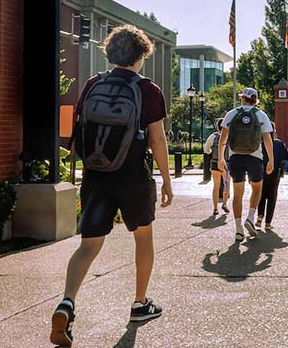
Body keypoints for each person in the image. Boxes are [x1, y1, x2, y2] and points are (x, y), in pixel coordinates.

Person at [51, 25, 174, 346]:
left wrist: (75, 172)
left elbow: (76, 132)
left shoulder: (92, 84)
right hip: (133, 174)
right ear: (141, 55)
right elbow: (158, 140)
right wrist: (166, 180)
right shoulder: (148, 90)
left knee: (88, 245)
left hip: (96, 175)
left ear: (110, 53)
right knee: (143, 237)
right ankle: (139, 303)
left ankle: (67, 303)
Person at [218, 87, 274, 242]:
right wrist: (271, 160)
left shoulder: (232, 113)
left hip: (236, 157)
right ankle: (250, 217)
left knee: (238, 193)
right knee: (257, 189)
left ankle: (238, 229)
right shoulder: (261, 115)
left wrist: (221, 158)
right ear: (255, 100)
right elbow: (268, 140)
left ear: (242, 98)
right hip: (255, 157)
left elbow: (223, 139)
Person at [257, 127, 288, 230]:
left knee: (261, 194)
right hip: (275, 173)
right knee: (272, 197)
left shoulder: (259, 144)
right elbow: (286, 156)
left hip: (261, 172)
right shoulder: (278, 144)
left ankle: (260, 215)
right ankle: (268, 223)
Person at [204, 119, 231, 216]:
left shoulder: (213, 136)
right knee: (226, 185)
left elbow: (206, 149)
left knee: (216, 186)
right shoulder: (229, 136)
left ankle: (215, 208)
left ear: (216, 127)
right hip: (226, 164)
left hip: (215, 163)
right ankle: (224, 203)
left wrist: (211, 152)